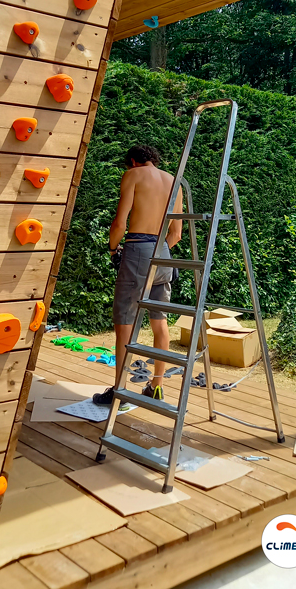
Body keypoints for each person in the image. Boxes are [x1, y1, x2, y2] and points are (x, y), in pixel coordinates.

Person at [93, 145, 183, 406]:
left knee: (124, 323)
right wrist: (159, 249)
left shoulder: (133, 175)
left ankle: (119, 390)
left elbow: (120, 223)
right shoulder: (174, 181)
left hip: (138, 249)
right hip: (164, 252)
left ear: (133, 162)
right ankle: (156, 386)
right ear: (154, 160)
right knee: (159, 321)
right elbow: (176, 234)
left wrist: (112, 249)